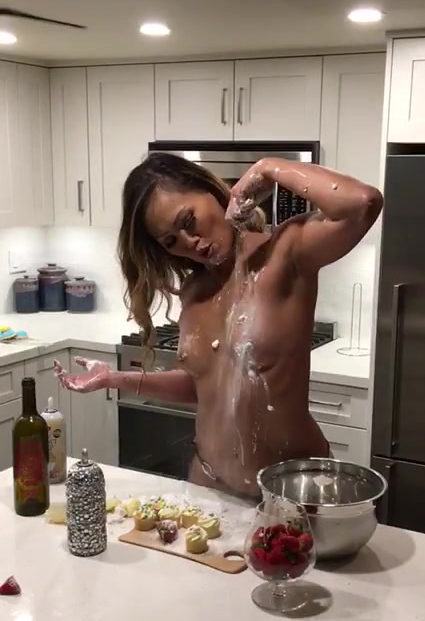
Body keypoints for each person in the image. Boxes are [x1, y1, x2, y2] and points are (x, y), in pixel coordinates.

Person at [55, 153, 382, 496]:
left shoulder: (285, 253)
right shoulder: (193, 292)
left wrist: (267, 168)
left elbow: (362, 203)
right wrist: (114, 378)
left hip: (290, 492)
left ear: (212, 191)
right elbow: (207, 385)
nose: (189, 242)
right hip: (207, 486)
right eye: (171, 241)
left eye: (188, 220)